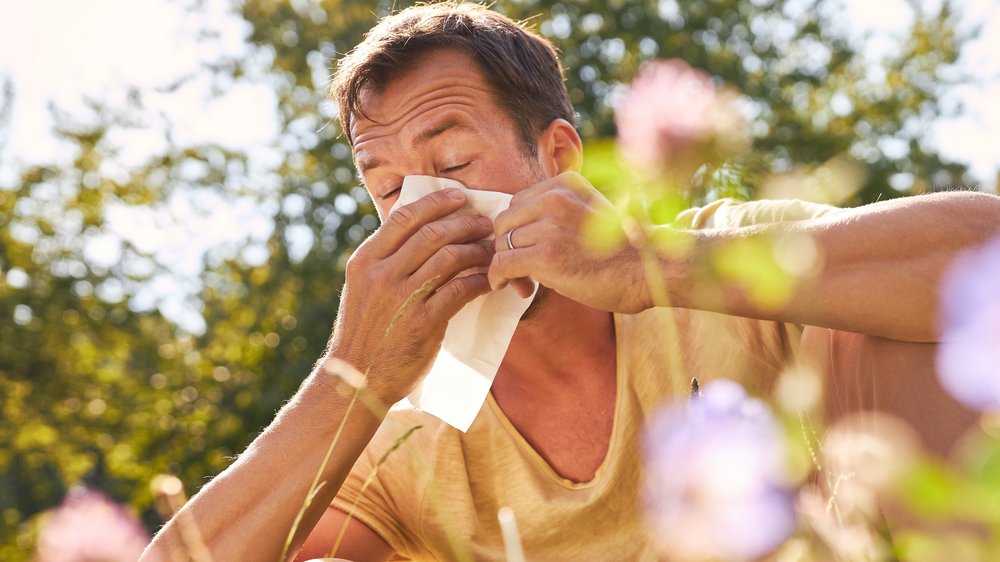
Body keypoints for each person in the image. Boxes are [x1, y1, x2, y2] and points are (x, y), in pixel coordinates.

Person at [142, 3, 1000, 561]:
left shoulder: (702, 266)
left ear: (556, 158)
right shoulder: (404, 440)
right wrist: (351, 378)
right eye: (390, 189)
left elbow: (983, 259)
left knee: (878, 311)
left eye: (451, 157)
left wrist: (641, 265)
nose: (426, 208)